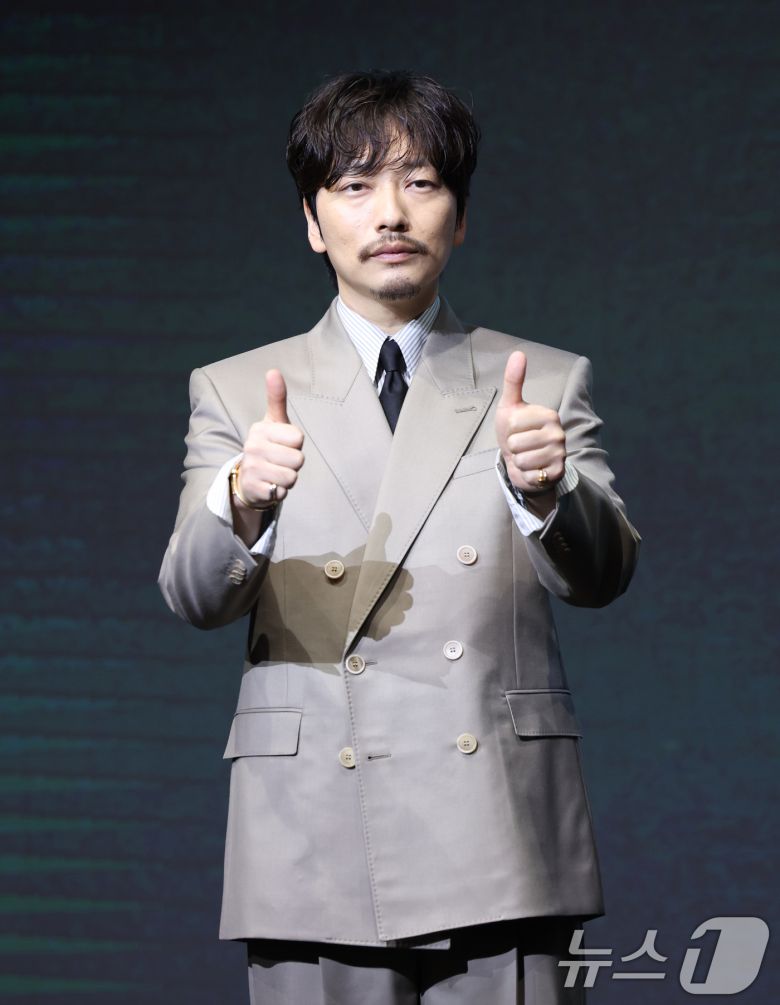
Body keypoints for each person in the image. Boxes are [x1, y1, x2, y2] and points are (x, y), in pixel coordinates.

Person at [159, 69, 640, 1005]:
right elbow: (193, 593)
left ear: (458, 219)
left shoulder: (540, 380)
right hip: (315, 826)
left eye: (421, 182)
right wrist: (241, 499)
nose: (390, 212)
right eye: (354, 185)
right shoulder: (238, 388)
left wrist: (547, 491)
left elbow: (604, 573)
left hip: (499, 824)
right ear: (313, 220)